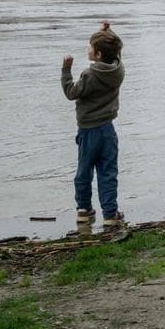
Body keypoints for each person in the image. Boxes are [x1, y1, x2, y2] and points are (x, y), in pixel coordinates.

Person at [62, 22, 126, 228]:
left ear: (98, 55)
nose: (87, 49)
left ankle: (83, 209)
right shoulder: (118, 69)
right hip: (107, 129)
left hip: (88, 130)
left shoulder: (89, 75)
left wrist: (66, 69)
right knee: (108, 171)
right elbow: (118, 49)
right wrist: (107, 33)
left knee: (84, 170)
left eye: (90, 47)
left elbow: (71, 92)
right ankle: (110, 213)